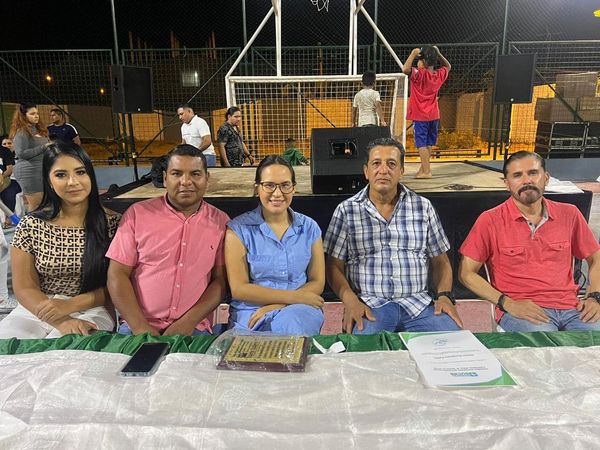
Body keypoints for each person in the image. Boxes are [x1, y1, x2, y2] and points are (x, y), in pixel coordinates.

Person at [324, 137, 462, 334]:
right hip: (370, 306)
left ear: (401, 171)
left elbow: (441, 262)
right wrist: (350, 300)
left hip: (418, 305)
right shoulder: (346, 211)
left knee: (455, 344)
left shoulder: (423, 207)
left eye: (391, 164)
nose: (383, 170)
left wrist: (444, 296)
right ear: (366, 171)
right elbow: (333, 266)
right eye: (376, 163)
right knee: (363, 349)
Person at [459, 151, 600, 332]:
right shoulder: (490, 220)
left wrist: (594, 296)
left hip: (573, 307)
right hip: (521, 311)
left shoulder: (569, 214)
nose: (527, 181)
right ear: (506, 183)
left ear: (546, 178)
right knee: (545, 344)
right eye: (517, 175)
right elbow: (466, 273)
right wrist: (507, 303)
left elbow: (595, 258)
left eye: (533, 173)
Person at [0, 141, 120, 338]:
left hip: (92, 308)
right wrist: (60, 320)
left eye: (80, 172)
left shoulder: (113, 224)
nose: (72, 182)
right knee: (7, 347)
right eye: (61, 175)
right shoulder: (31, 225)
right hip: (37, 309)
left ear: (90, 175)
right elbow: (24, 287)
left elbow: (120, 283)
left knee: (66, 346)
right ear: (49, 180)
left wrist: (70, 306)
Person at [107, 144, 229, 336]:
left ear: (207, 178)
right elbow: (117, 274)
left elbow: (220, 281)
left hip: (194, 329)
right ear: (165, 178)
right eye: (176, 174)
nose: (186, 181)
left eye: (195, 174)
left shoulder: (221, 222)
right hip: (136, 327)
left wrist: (189, 322)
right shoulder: (137, 215)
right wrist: (139, 326)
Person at [225, 155, 325, 334]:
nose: (277, 193)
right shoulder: (238, 229)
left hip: (299, 309)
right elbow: (239, 289)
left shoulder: (309, 228)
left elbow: (317, 281)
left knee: (291, 325)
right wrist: (293, 297)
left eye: (285, 185)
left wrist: (282, 304)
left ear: (294, 188)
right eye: (269, 185)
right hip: (251, 313)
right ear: (257, 188)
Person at [402, 46, 451, 179]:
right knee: (429, 143)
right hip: (434, 115)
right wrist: (439, 53)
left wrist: (413, 53)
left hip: (420, 116)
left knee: (421, 144)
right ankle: (423, 169)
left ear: (423, 62)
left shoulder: (420, 74)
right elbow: (448, 66)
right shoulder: (438, 75)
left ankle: (427, 171)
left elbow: (405, 69)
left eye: (419, 60)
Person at [9, 103, 52, 211]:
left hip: (43, 169)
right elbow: (21, 153)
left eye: (37, 113)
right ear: (24, 116)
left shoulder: (39, 129)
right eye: (32, 114)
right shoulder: (21, 132)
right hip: (29, 171)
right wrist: (43, 147)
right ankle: (30, 222)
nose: (36, 116)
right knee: (36, 205)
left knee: (45, 204)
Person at [0, 136, 21, 220]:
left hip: (16, 181)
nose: (7, 145)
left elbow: (9, 170)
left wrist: (1, 177)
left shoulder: (20, 154)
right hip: (6, 180)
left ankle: (9, 218)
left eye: (9, 143)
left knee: (9, 192)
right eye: (4, 144)